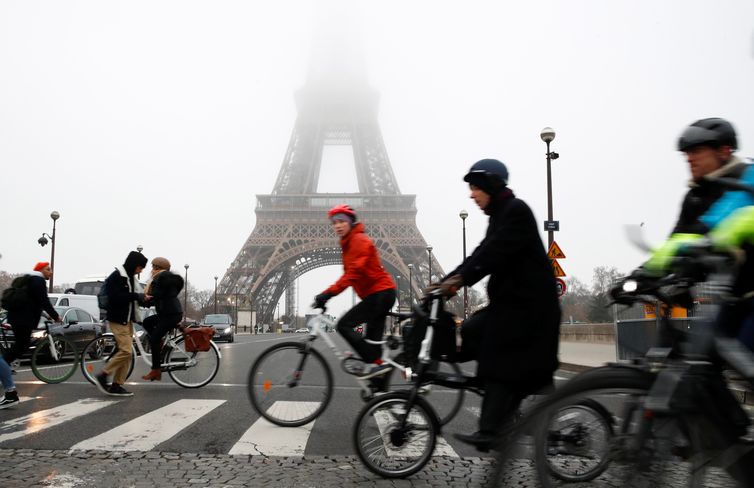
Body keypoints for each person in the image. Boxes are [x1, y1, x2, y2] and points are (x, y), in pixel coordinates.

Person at [436, 159, 561, 451]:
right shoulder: (500, 214)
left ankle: (492, 427)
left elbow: (492, 254)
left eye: (476, 187)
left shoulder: (516, 211)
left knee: (496, 354)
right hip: (512, 306)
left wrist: (458, 281)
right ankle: (494, 394)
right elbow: (479, 253)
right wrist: (444, 281)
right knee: (472, 328)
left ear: (492, 184)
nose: (471, 194)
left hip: (530, 310)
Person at [646, 118, 747, 271]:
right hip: (708, 286)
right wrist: (643, 271)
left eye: (696, 151)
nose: (689, 159)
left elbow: (715, 224)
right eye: (687, 153)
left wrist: (685, 245)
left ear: (724, 152)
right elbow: (675, 239)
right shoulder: (693, 196)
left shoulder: (746, 177)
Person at [313, 204, 397, 380]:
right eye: (334, 222)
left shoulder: (359, 240)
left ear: (351, 222)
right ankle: (380, 390)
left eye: (342, 221)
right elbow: (352, 275)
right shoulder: (349, 243)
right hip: (379, 294)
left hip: (380, 293)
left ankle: (376, 364)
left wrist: (328, 294)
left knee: (344, 325)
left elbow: (352, 273)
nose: (337, 225)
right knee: (371, 345)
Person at [1, 262, 61, 409]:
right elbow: (44, 301)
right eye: (48, 269)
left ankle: (6, 374)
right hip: (23, 321)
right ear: (40, 270)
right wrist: (55, 316)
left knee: (17, 350)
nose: (50, 272)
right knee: (16, 351)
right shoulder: (38, 281)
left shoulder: (27, 281)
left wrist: (46, 315)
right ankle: (9, 388)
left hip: (17, 319)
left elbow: (33, 303)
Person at [93, 251, 148, 397]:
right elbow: (116, 297)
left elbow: (130, 297)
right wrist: (137, 296)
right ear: (134, 265)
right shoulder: (117, 276)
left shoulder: (129, 277)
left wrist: (144, 299)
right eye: (140, 267)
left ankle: (117, 385)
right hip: (118, 319)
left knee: (127, 354)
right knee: (126, 351)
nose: (141, 270)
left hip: (127, 319)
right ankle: (103, 375)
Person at [141, 257, 184, 381]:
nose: (151, 270)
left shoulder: (160, 278)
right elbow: (162, 297)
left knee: (154, 338)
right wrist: (147, 301)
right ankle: (159, 343)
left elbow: (157, 295)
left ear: (157, 268)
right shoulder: (168, 279)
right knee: (147, 322)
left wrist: (144, 300)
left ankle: (156, 370)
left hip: (169, 314)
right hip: (170, 313)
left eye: (153, 267)